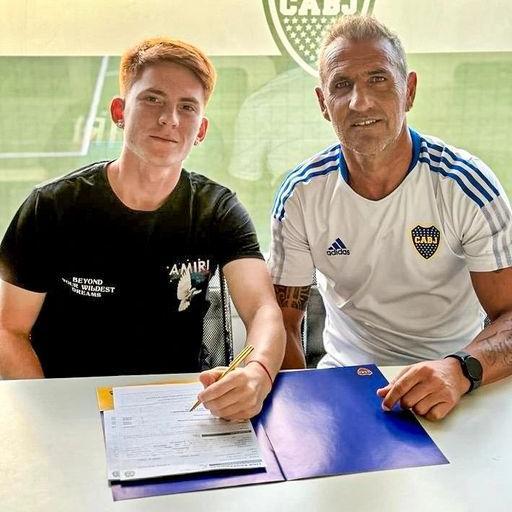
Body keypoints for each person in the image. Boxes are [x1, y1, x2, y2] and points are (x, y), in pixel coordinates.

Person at [0, 37, 285, 420]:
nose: (170, 119)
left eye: (187, 107)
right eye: (152, 99)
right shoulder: (51, 207)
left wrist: (258, 374)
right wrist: (49, 415)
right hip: (72, 405)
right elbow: (9, 330)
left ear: (201, 130)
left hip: (178, 407)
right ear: (120, 111)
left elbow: (263, 309)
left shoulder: (217, 209)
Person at [268, 15, 512, 421]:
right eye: (341, 85)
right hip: (346, 379)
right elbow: (282, 323)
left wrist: (459, 370)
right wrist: (305, 411)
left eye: (378, 79)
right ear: (323, 104)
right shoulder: (301, 195)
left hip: (459, 381)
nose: (360, 102)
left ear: (409, 90)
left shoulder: (466, 185)